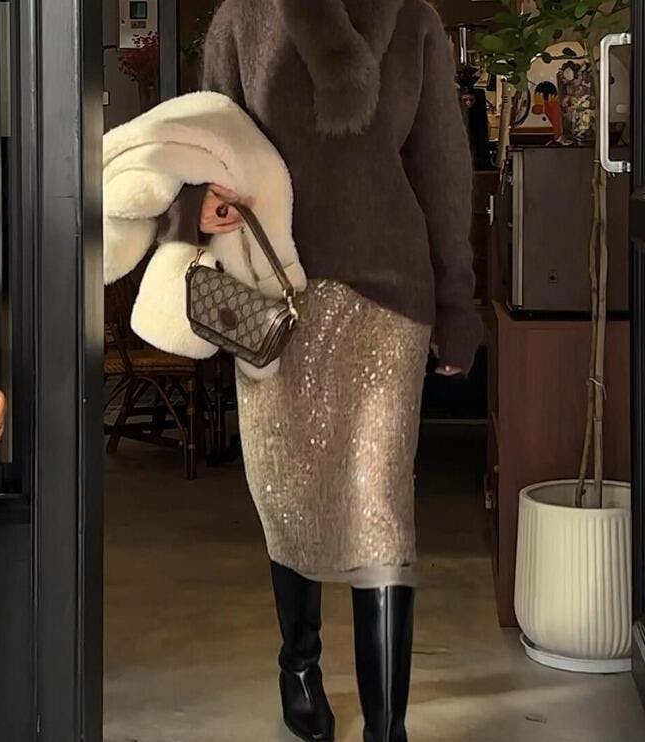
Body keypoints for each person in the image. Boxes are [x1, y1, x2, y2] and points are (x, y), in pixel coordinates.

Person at [193, 1, 480, 739]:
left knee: (379, 501)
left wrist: (457, 302)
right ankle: (299, 665)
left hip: (388, 295)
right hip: (274, 293)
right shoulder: (242, 19)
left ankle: (388, 726)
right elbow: (204, 143)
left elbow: (443, 168)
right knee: (286, 492)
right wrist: (196, 206)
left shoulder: (413, 20)